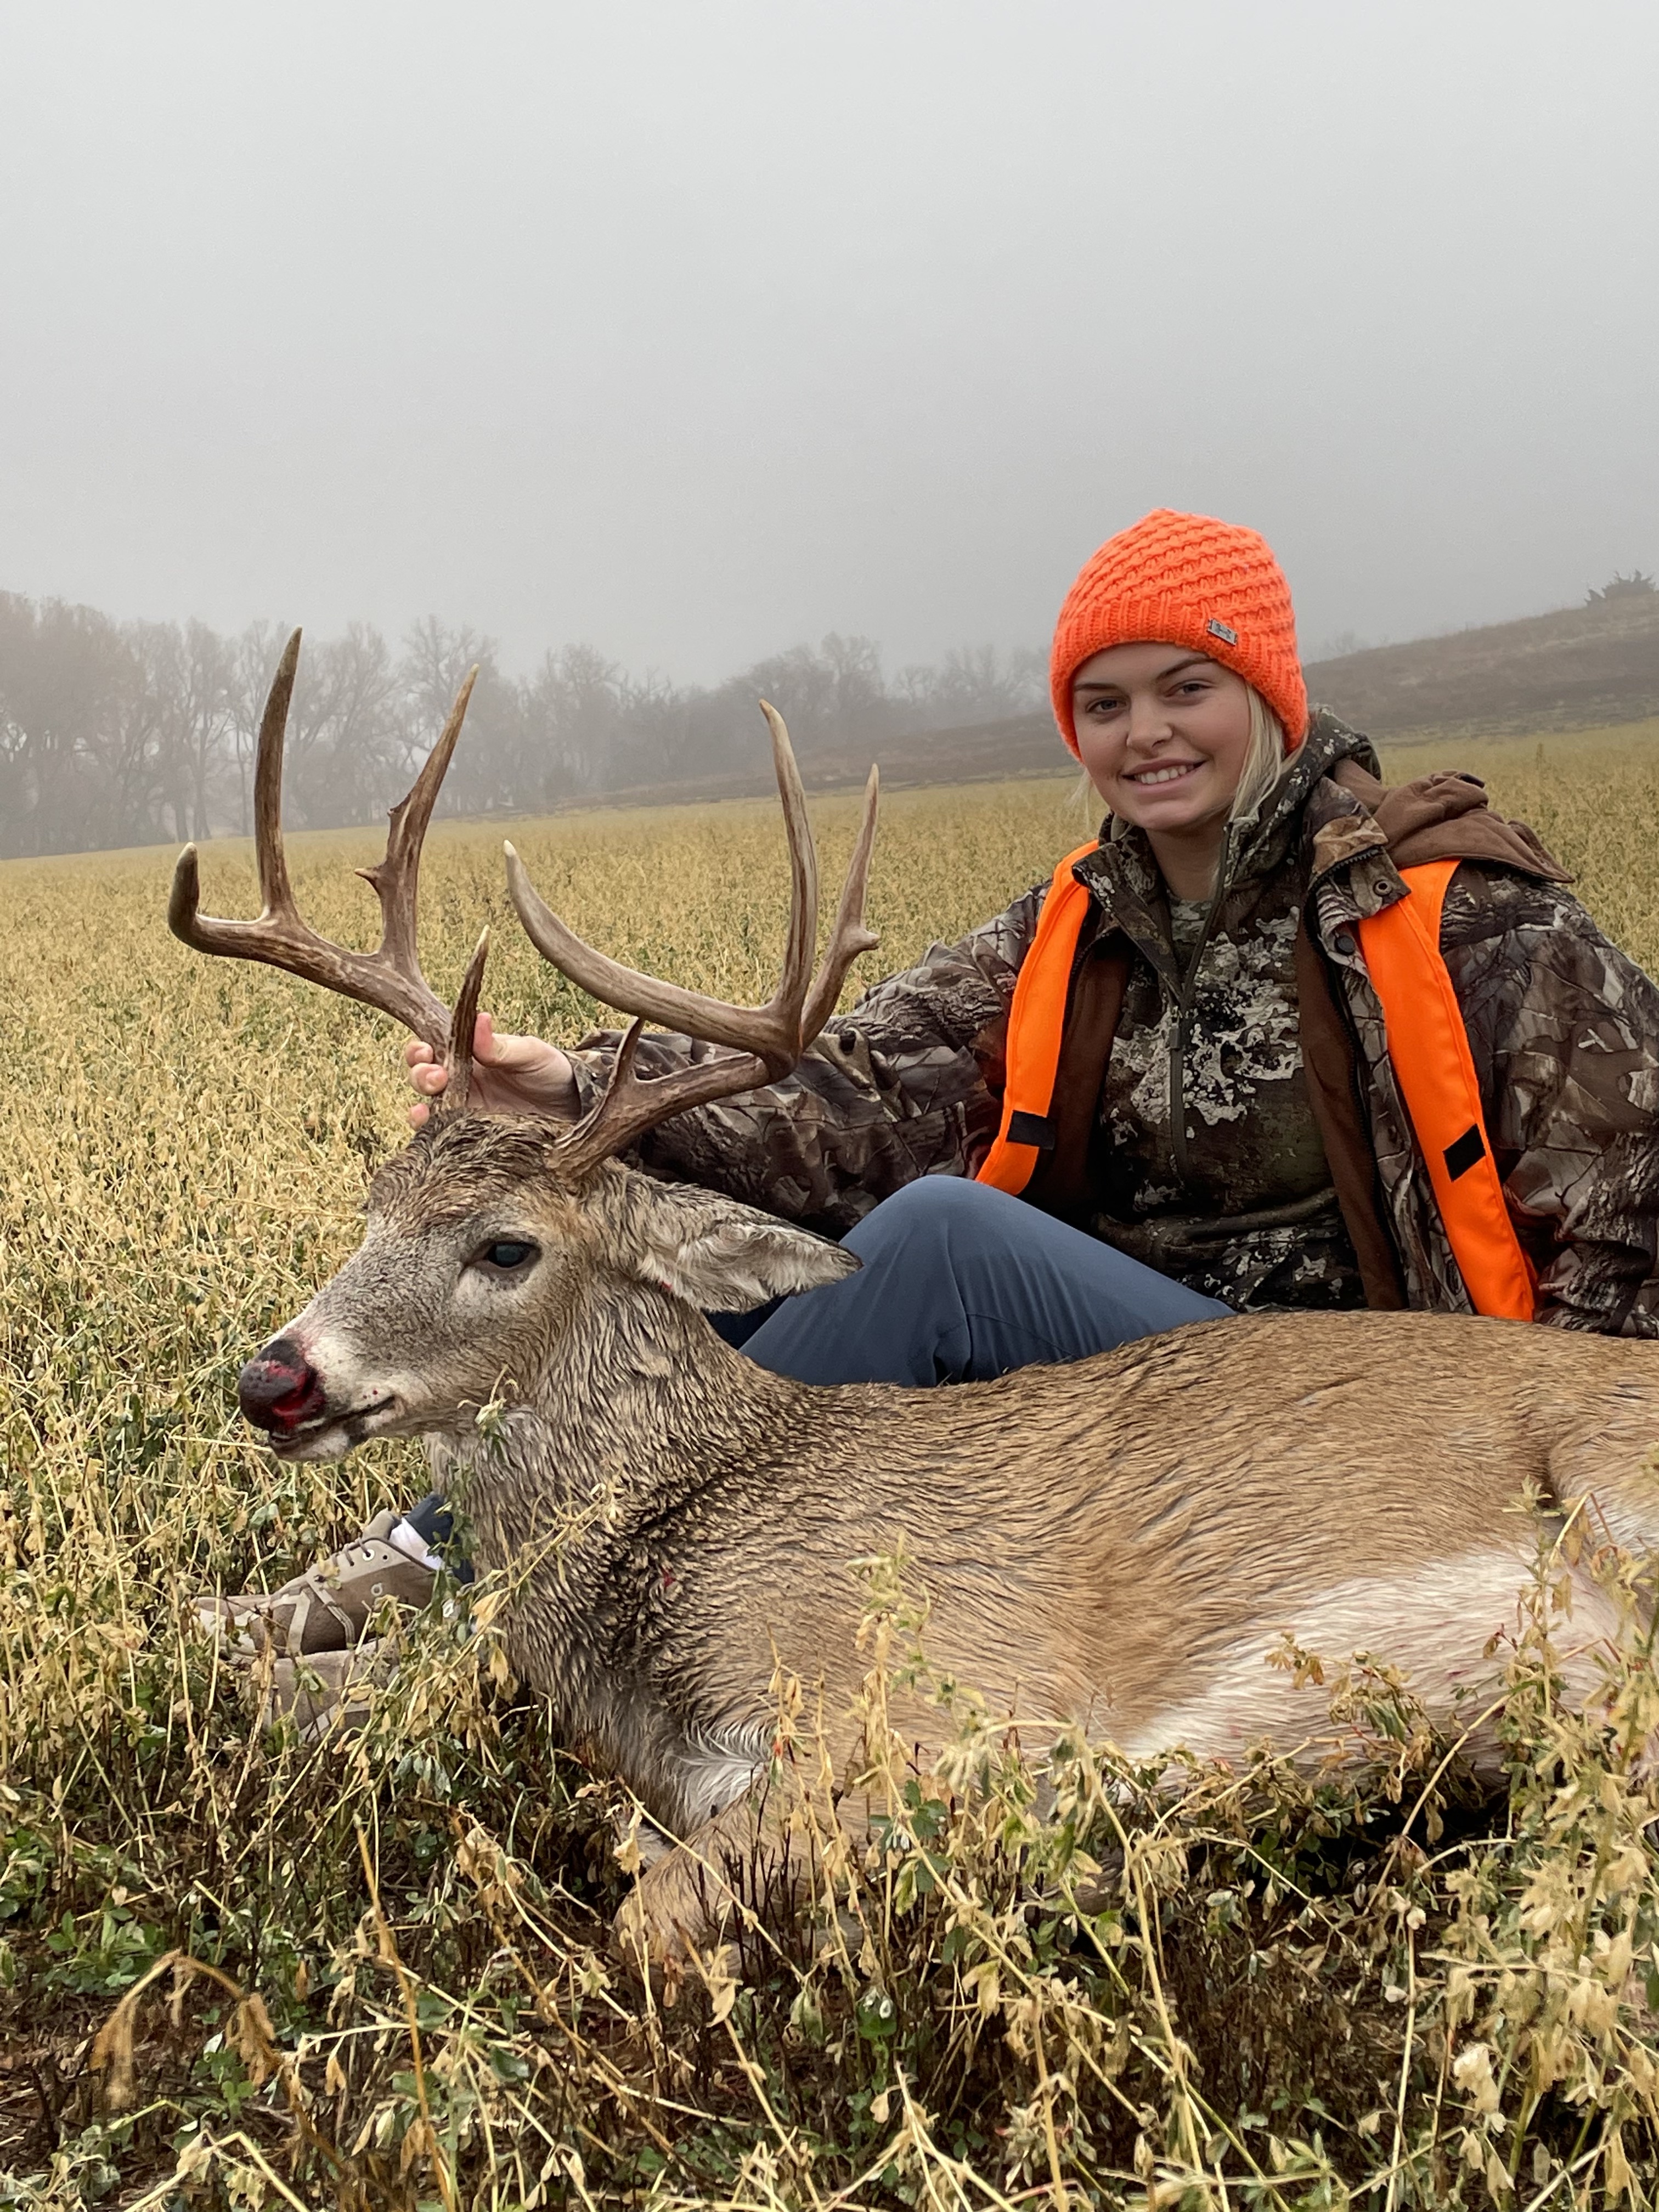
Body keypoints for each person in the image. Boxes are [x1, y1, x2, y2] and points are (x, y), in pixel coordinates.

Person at [203, 507, 1659, 1675]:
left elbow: (1630, 1203)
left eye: (1188, 688)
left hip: (1374, 1413)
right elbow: (854, 1101)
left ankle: (491, 1601)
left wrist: (1521, 1476)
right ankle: (442, 1557)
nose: (1147, 733)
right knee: (669, 1271)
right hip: (1127, 1396)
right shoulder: (1073, 926)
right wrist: (568, 1082)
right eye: (1105, 702)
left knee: (942, 1243)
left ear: (1268, 696)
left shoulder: (1471, 918)